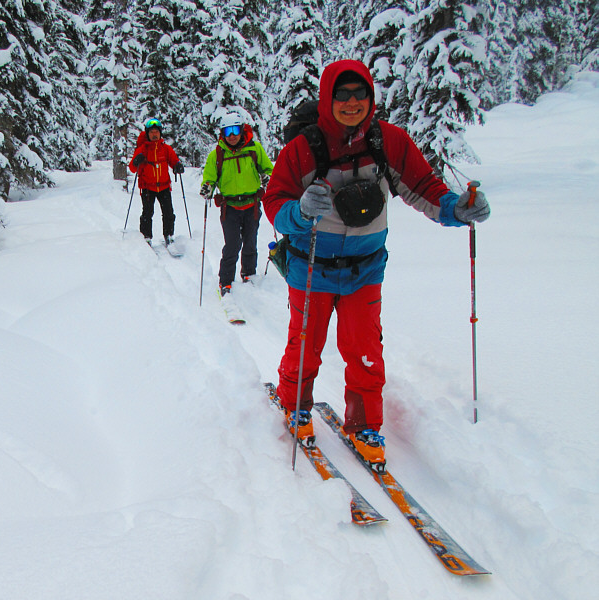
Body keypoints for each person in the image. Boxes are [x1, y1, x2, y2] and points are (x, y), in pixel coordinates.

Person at [262, 60, 490, 469]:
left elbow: (424, 187)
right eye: (342, 95)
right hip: (310, 266)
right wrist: (298, 212)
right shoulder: (304, 148)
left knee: (365, 349)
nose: (352, 103)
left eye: (360, 94)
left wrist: (460, 209)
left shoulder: (389, 142)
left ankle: (365, 424)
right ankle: (296, 403)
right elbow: (274, 200)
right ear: (328, 98)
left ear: (371, 97)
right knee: (305, 343)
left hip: (364, 269)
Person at [200, 113, 274, 295]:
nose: (232, 135)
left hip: (252, 204)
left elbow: (268, 169)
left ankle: (248, 273)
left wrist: (267, 177)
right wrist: (208, 187)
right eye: (227, 131)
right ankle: (225, 281)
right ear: (222, 134)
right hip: (230, 207)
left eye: (235, 130)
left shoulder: (254, 149)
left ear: (242, 130)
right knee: (232, 244)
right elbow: (210, 178)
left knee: (250, 241)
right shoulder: (216, 155)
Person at [129, 118, 184, 245]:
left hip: (164, 186)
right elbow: (132, 168)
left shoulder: (166, 149)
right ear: (148, 134)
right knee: (147, 213)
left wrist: (177, 166)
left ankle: (169, 235)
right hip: (148, 187)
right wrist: (137, 161)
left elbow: (174, 160)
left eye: (156, 132)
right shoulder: (142, 149)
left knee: (168, 212)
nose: (154, 134)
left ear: (160, 133)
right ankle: (146, 237)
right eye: (152, 132)